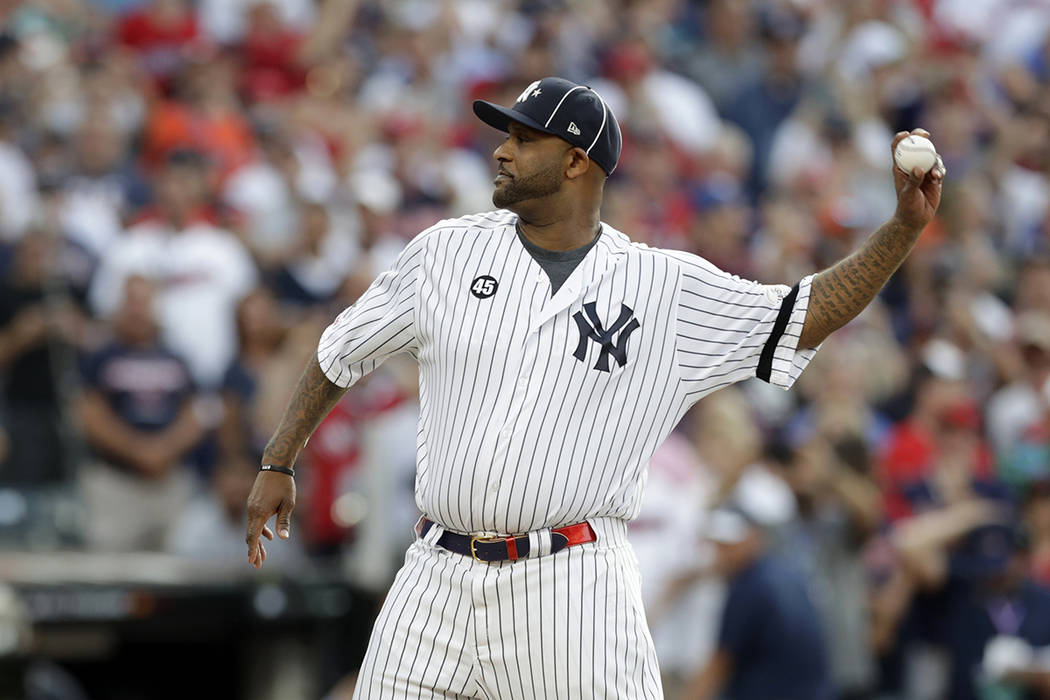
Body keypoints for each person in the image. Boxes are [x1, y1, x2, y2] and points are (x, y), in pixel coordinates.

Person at [244, 76, 944, 698]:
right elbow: (341, 350)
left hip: (570, 584)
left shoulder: (663, 287)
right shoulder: (447, 251)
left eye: (524, 138)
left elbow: (805, 312)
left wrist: (901, 231)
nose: (502, 149)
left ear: (577, 161)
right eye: (505, 135)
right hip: (435, 573)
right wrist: (279, 459)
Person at [78, 275, 203, 550]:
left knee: (172, 575)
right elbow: (89, 416)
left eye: (143, 301)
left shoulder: (176, 357)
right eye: (131, 301)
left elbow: (195, 415)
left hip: (168, 481)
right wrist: (139, 451)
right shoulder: (101, 357)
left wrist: (163, 450)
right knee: (111, 569)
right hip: (117, 482)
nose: (137, 309)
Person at [684, 504, 834, 700]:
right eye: (718, 545)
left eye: (730, 545)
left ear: (754, 538)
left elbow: (718, 667)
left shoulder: (749, 588)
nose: (722, 554)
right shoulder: (783, 573)